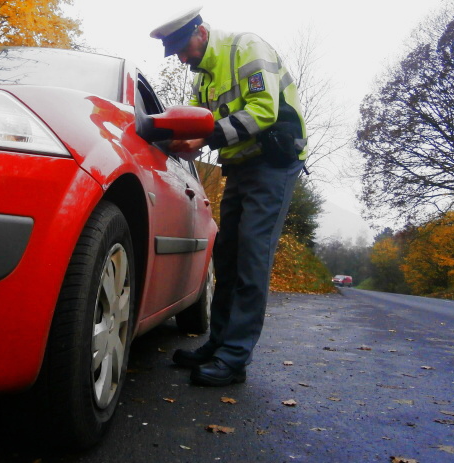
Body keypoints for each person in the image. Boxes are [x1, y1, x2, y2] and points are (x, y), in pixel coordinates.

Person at [150, 7, 307, 387]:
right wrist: (182, 140)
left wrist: (204, 138)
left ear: (201, 32)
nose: (183, 58)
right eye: (176, 53)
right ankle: (217, 345)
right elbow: (206, 125)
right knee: (228, 256)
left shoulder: (245, 48)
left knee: (252, 256)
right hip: (239, 167)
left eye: (183, 48)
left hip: (272, 164)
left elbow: (263, 110)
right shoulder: (203, 77)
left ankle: (234, 359)